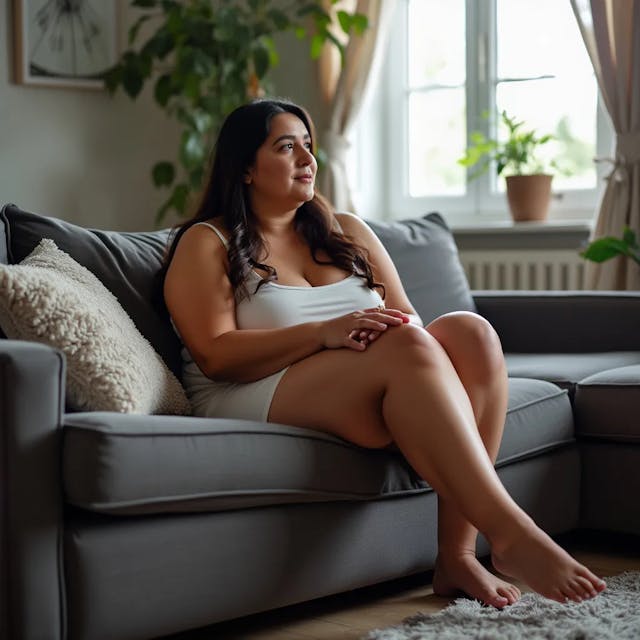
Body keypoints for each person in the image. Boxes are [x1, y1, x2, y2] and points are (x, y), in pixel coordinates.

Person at [162, 98, 606, 609]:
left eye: (309, 145)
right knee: (411, 345)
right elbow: (216, 354)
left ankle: (456, 557)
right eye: (286, 147)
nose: (307, 159)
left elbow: (407, 317)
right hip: (251, 388)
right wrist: (328, 332)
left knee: (471, 332)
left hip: (357, 380)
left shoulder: (345, 230)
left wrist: (377, 342)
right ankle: (512, 534)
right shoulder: (207, 241)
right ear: (243, 166)